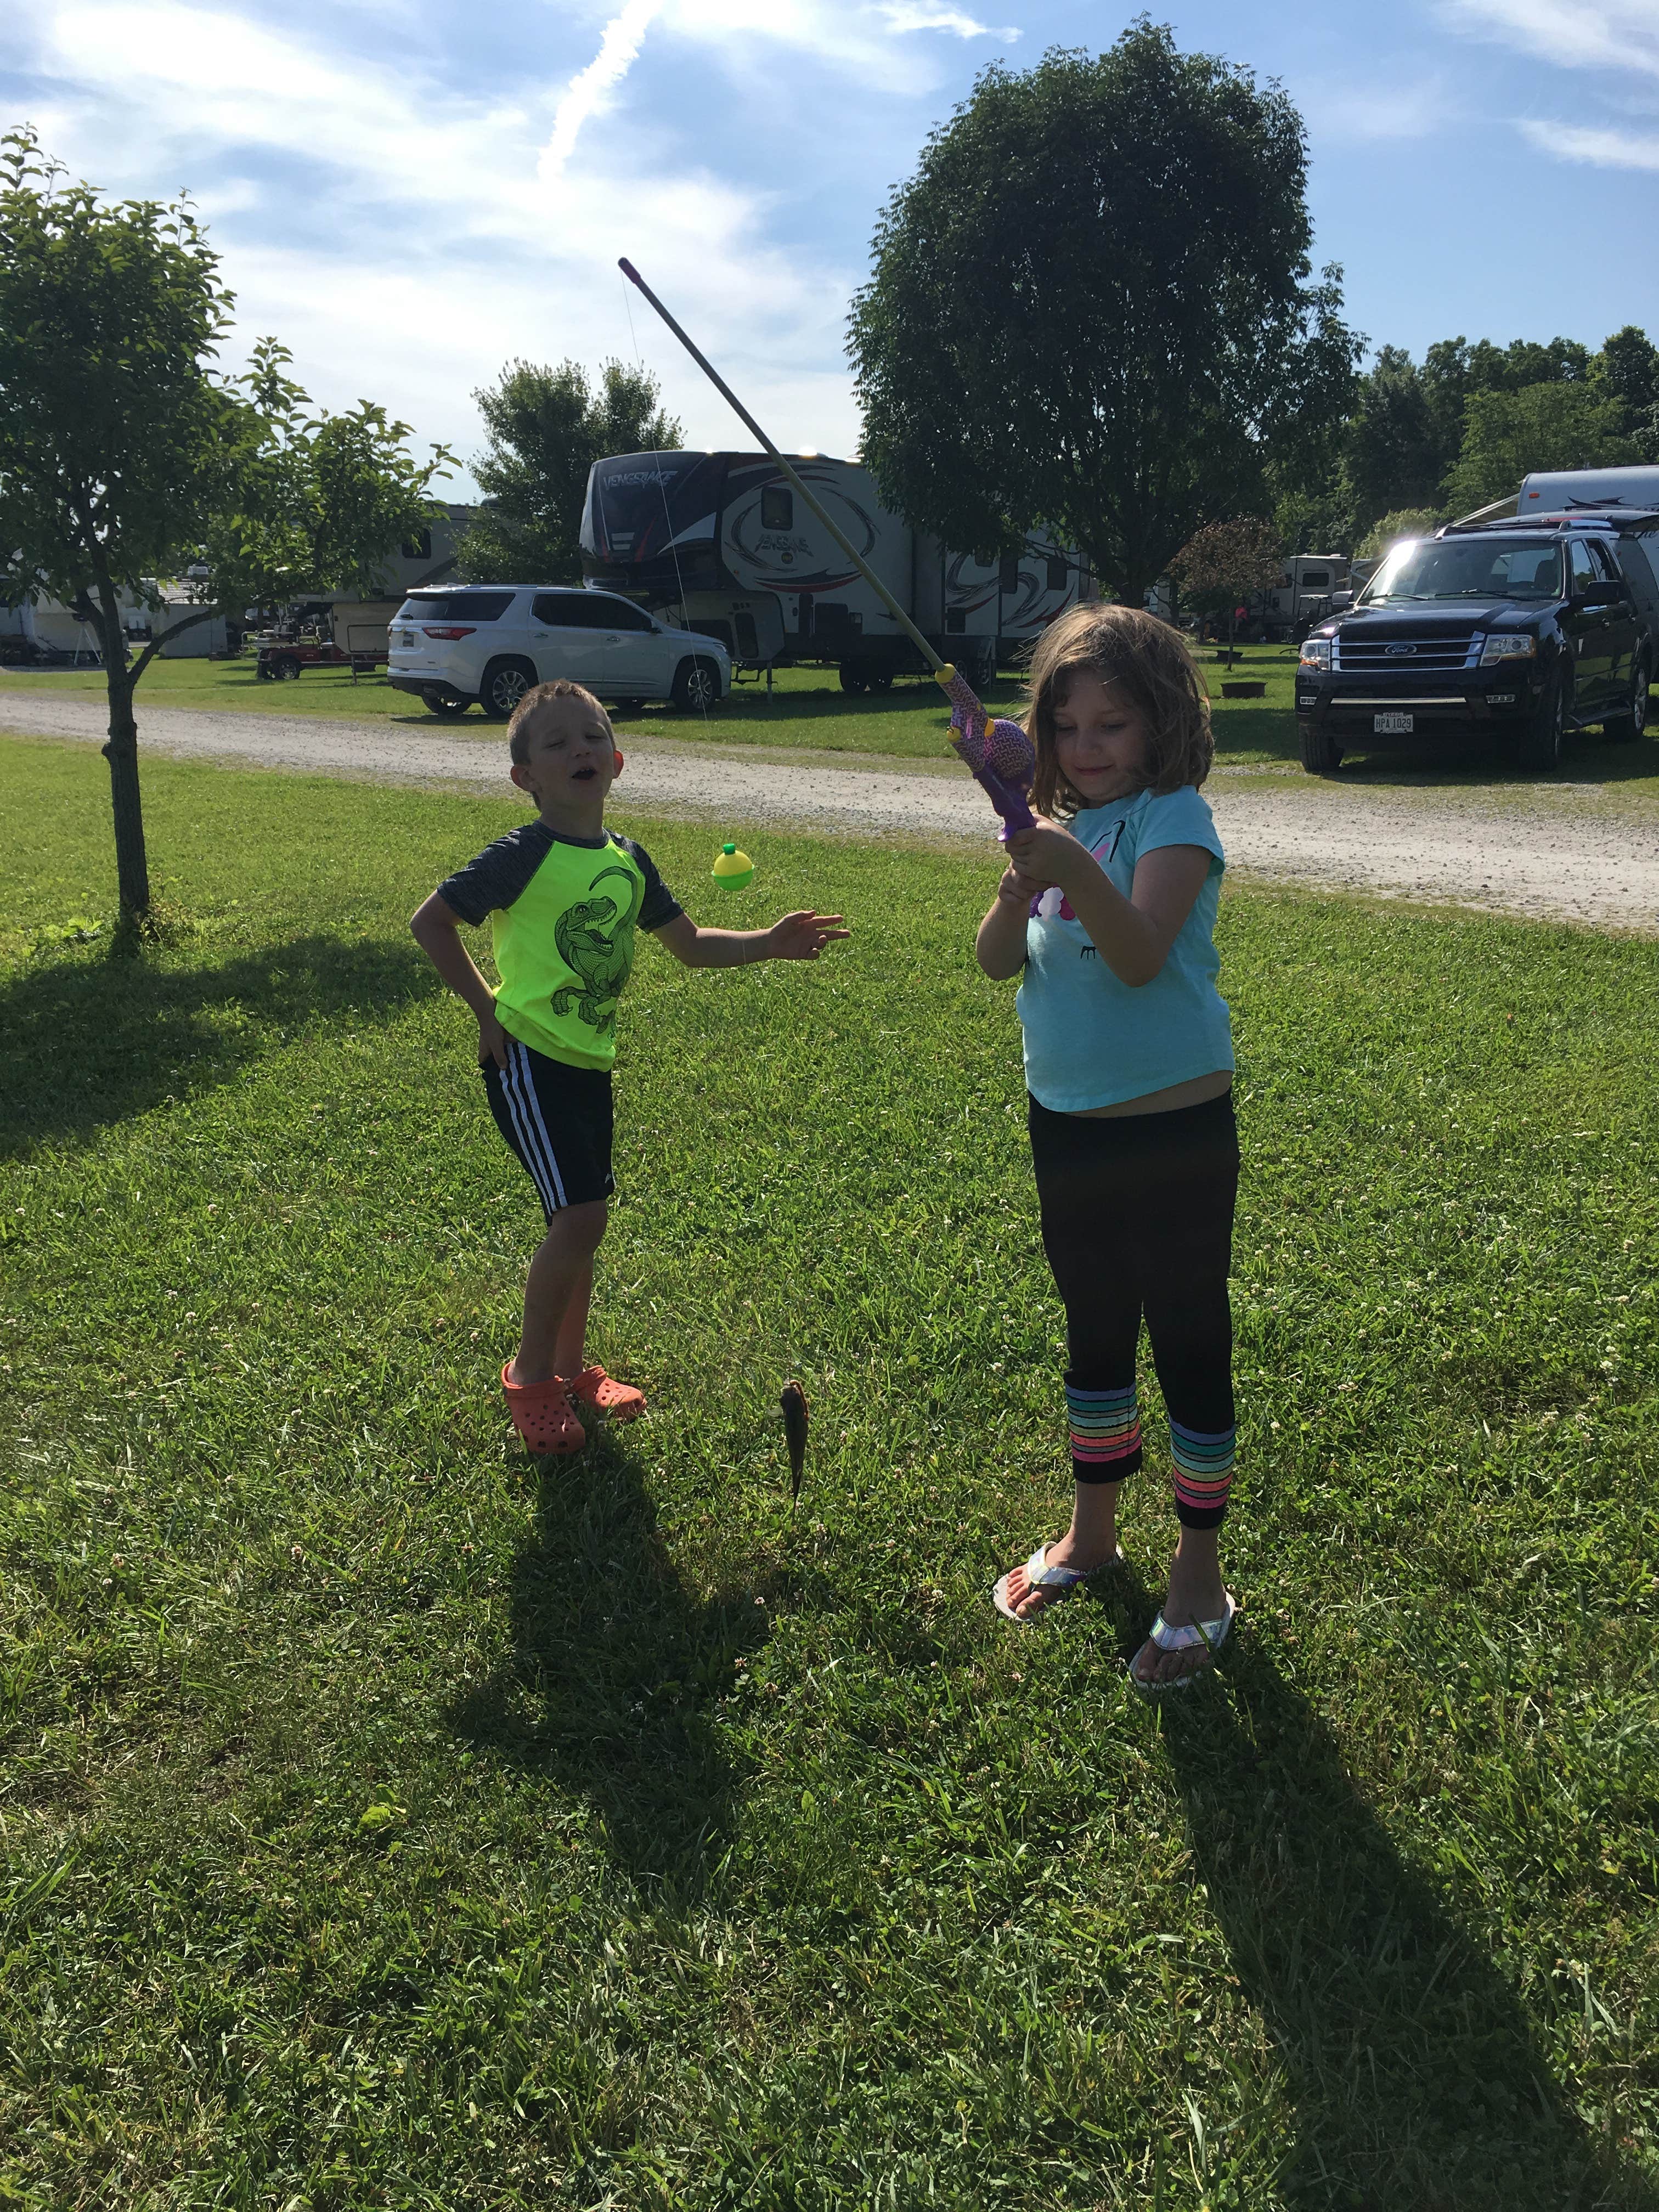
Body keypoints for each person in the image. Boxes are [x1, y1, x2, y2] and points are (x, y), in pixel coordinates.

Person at [411, 679, 848, 1456]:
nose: (580, 749)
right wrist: (485, 1009)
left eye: (593, 736)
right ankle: (531, 1380)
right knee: (580, 1218)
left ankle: (571, 1370)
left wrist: (768, 942)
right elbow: (432, 922)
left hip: (588, 1062)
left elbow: (690, 944)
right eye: (557, 743)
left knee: (580, 1222)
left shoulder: (627, 859)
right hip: (529, 1055)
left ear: (616, 761)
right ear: (526, 777)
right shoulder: (522, 855)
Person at [974, 605, 1239, 1688]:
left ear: (1161, 724)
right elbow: (998, 962)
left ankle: (1200, 1576)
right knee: (1093, 1332)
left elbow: (1136, 957)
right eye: (1066, 726)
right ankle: (1092, 1535)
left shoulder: (1177, 819)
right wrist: (1015, 888)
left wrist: (1071, 869)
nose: (1085, 747)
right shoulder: (1058, 833)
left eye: (1112, 725)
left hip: (1173, 1131)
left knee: (1187, 1339)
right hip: (1067, 1123)